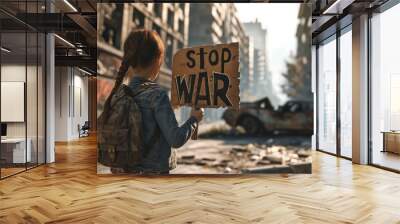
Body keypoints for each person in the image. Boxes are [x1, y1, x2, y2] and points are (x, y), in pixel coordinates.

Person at [102, 29, 204, 174]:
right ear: (158, 61)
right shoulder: (157, 95)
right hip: (153, 175)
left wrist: (170, 108)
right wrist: (194, 119)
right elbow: (176, 139)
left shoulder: (119, 93)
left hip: (126, 174)